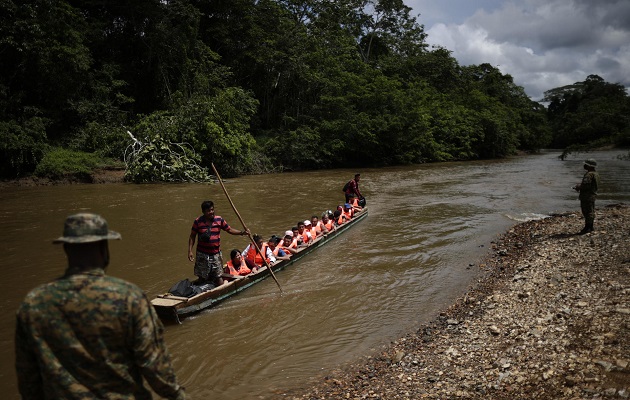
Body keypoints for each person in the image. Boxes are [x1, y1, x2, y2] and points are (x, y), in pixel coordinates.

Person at [15, 213, 186, 400]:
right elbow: (155, 368)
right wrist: (179, 396)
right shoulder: (129, 298)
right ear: (104, 248)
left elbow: (28, 381)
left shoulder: (33, 304)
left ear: (66, 249)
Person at [188, 200, 249, 286]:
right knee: (202, 276)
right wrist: (190, 251)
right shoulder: (198, 222)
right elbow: (192, 236)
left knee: (218, 276)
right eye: (208, 211)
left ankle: (221, 290)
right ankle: (201, 291)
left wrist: (242, 233)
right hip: (202, 254)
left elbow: (229, 229)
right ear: (203, 212)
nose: (211, 212)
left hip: (215, 254)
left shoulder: (219, 220)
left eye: (212, 210)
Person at [573, 158, 600, 234]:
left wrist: (578, 187)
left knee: (587, 212)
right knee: (590, 211)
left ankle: (588, 227)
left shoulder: (589, 174)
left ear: (590, 166)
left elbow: (586, 185)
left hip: (587, 196)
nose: (584, 165)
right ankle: (590, 227)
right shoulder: (596, 174)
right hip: (592, 195)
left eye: (586, 164)